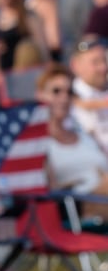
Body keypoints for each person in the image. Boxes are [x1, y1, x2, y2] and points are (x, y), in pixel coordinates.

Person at [35, 64, 108, 224]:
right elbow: (51, 190)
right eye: (56, 91)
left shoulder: (82, 133)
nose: (64, 98)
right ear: (40, 95)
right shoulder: (38, 144)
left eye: (69, 92)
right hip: (78, 206)